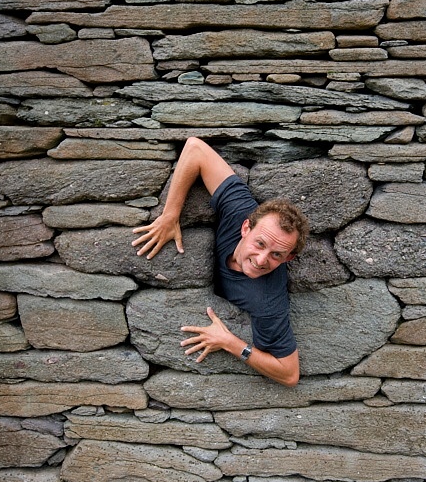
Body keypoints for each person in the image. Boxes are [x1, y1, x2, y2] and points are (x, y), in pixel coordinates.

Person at [132, 136, 309, 387]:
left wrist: (231, 343)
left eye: (276, 255)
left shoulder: (268, 301)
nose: (261, 260)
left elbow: (289, 374)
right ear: (246, 227)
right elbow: (195, 148)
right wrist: (170, 215)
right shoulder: (239, 211)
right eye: (260, 243)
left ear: (289, 258)